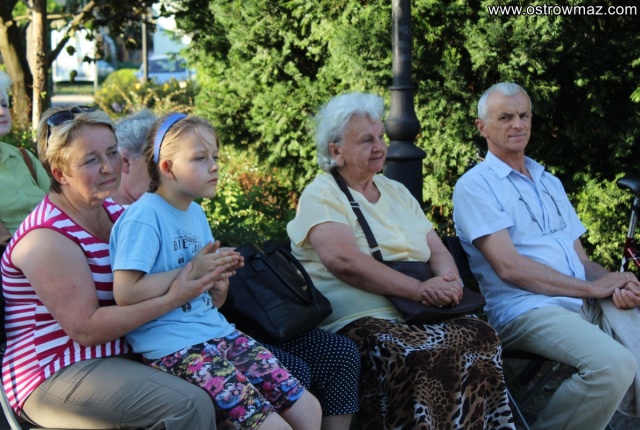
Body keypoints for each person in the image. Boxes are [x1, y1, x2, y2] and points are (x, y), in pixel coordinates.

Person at [113, 108, 360, 430]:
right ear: (167, 168)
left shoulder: (195, 214)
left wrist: (217, 281)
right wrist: (194, 269)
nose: (214, 165)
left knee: (309, 410)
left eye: (215, 156)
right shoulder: (145, 216)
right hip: (175, 347)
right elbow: (126, 292)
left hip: (216, 332)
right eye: (200, 158)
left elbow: (207, 300)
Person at [287, 92, 515, 429]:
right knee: (415, 353)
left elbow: (438, 250)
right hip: (363, 318)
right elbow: (344, 261)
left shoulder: (396, 191)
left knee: (480, 335)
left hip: (420, 311)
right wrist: (420, 290)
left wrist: (449, 284)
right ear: (336, 151)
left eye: (380, 136)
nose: (379, 146)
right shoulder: (323, 193)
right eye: (366, 140)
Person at [1, 105, 221, 429]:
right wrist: (176, 296)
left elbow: (169, 280)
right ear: (60, 174)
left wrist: (213, 283)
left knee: (236, 381)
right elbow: (86, 330)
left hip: (127, 352)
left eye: (112, 153)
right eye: (91, 160)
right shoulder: (45, 238)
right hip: (55, 371)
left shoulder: (123, 215)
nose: (108, 167)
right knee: (191, 404)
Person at [453, 82, 639, 430]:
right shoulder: (475, 186)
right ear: (482, 127)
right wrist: (591, 289)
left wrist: (616, 283)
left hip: (580, 302)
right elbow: (510, 268)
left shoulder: (548, 182)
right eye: (505, 117)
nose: (517, 124)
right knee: (612, 366)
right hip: (527, 310)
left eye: (523, 115)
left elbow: (583, 263)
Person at [0, 71, 50, 241]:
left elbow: (59, 201)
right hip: (12, 252)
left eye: (4, 104)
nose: (2, 112)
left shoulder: (23, 157)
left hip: (55, 241)